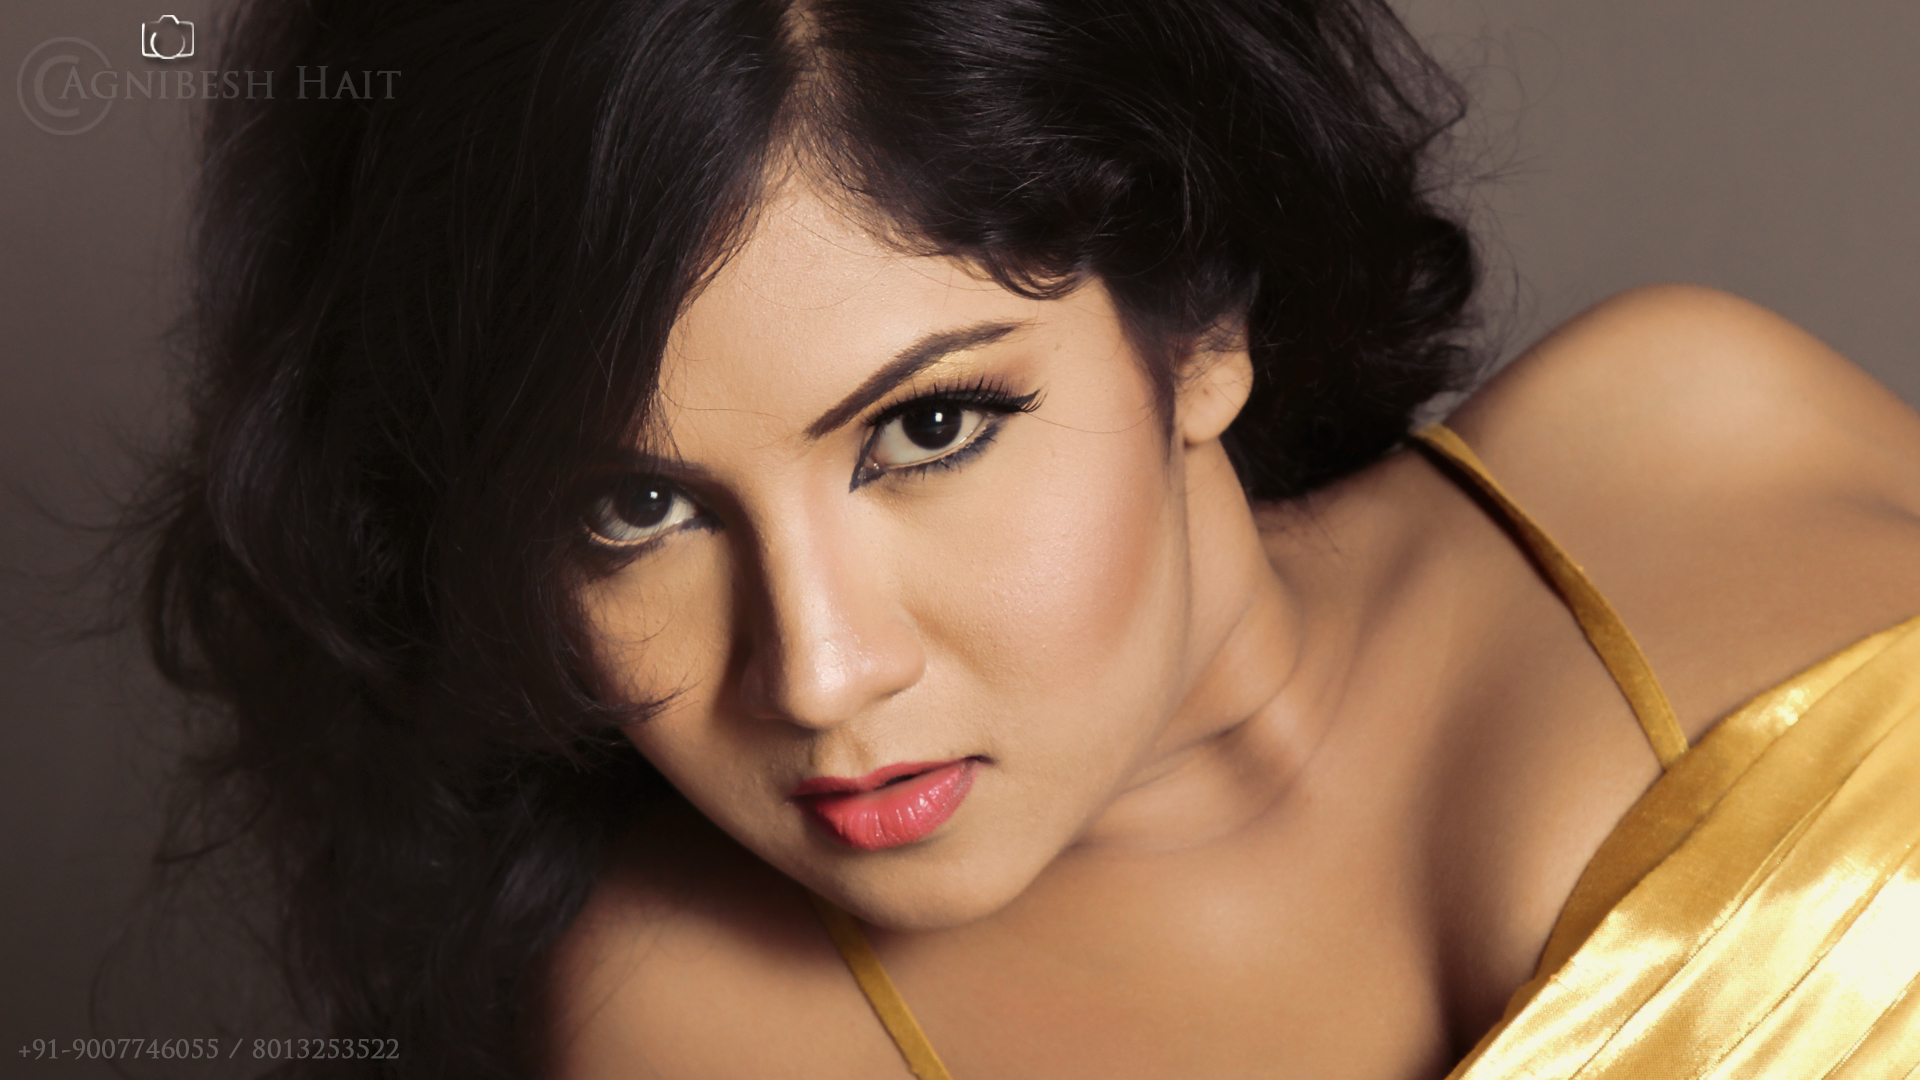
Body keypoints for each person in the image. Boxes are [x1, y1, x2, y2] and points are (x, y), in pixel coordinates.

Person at [137, 0, 1920, 1076]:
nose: (822, 673)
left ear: (1202, 324)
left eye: (928, 429)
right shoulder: (703, 1021)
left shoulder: (1698, 430)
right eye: (638, 508)